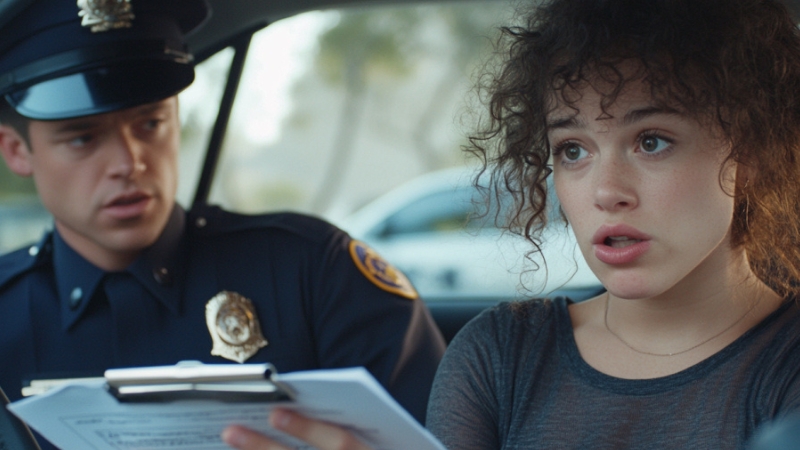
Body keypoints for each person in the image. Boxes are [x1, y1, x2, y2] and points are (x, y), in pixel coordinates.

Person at [218, 0, 800, 449]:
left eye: (651, 141)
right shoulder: (501, 355)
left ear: (748, 152)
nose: (605, 191)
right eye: (572, 150)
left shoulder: (784, 366)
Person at [0, 1, 446, 448]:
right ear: (16, 150)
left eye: (150, 122)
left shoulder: (312, 273)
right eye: (83, 137)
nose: (128, 162)